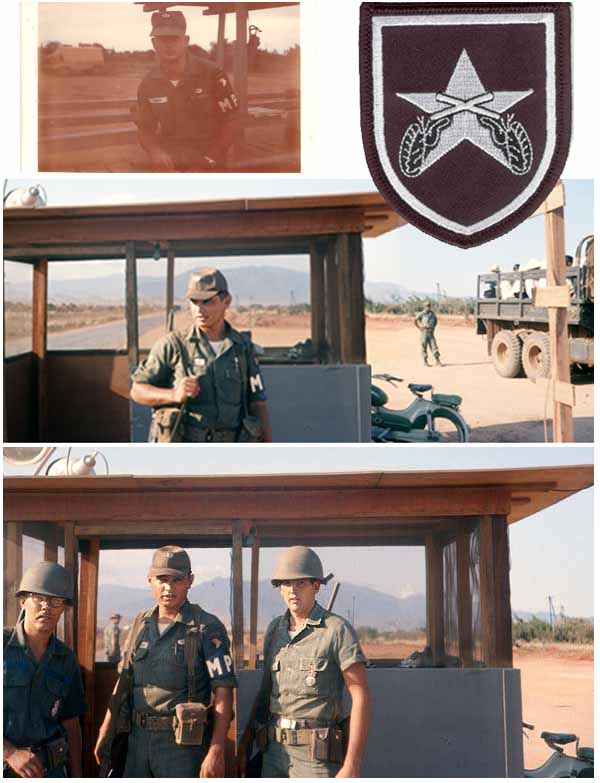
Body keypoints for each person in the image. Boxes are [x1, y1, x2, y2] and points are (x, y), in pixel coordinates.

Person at [94, 545, 236, 778]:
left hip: (182, 745)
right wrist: (106, 728)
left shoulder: (206, 627)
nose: (168, 587)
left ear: (190, 581)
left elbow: (223, 690)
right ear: (150, 580)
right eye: (162, 579)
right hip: (137, 740)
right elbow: (124, 679)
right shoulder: (141, 624)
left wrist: (216, 749)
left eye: (177, 580)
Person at [238, 546, 371, 778]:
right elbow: (264, 693)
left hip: (315, 757)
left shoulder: (336, 630)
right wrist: (245, 744)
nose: (292, 590)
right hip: (274, 752)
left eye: (301, 583)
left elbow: (361, 697)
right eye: (286, 584)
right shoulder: (274, 630)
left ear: (316, 586)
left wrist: (352, 764)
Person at [131, 268, 272, 443]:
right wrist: (174, 394)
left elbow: (257, 403)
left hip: (232, 450)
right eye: (194, 301)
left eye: (207, 302)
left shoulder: (242, 348)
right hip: (186, 450)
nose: (199, 309)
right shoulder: (173, 345)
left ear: (226, 301)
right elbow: (137, 391)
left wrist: (268, 449)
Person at [3, 562, 85, 778]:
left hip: (51, 770)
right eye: (38, 598)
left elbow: (71, 724)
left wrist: (77, 776)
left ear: (63, 609)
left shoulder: (66, 659)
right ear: (23, 601)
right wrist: (9, 752)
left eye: (56, 601)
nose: (46, 607)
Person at [136, 10, 239, 172]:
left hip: (210, 161)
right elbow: (145, 128)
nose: (168, 45)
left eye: (174, 38)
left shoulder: (212, 74)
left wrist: (210, 159)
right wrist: (155, 152)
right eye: (162, 39)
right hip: (171, 162)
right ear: (154, 43)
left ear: (185, 41)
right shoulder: (148, 84)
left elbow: (232, 120)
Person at [414, 301, 443, 366]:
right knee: (424, 347)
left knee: (434, 347)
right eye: (427, 306)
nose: (428, 307)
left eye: (429, 306)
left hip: (431, 333)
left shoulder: (432, 314)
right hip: (424, 332)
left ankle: (438, 361)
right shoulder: (421, 314)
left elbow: (435, 321)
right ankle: (425, 361)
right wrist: (419, 327)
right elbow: (415, 320)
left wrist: (433, 328)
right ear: (424, 307)